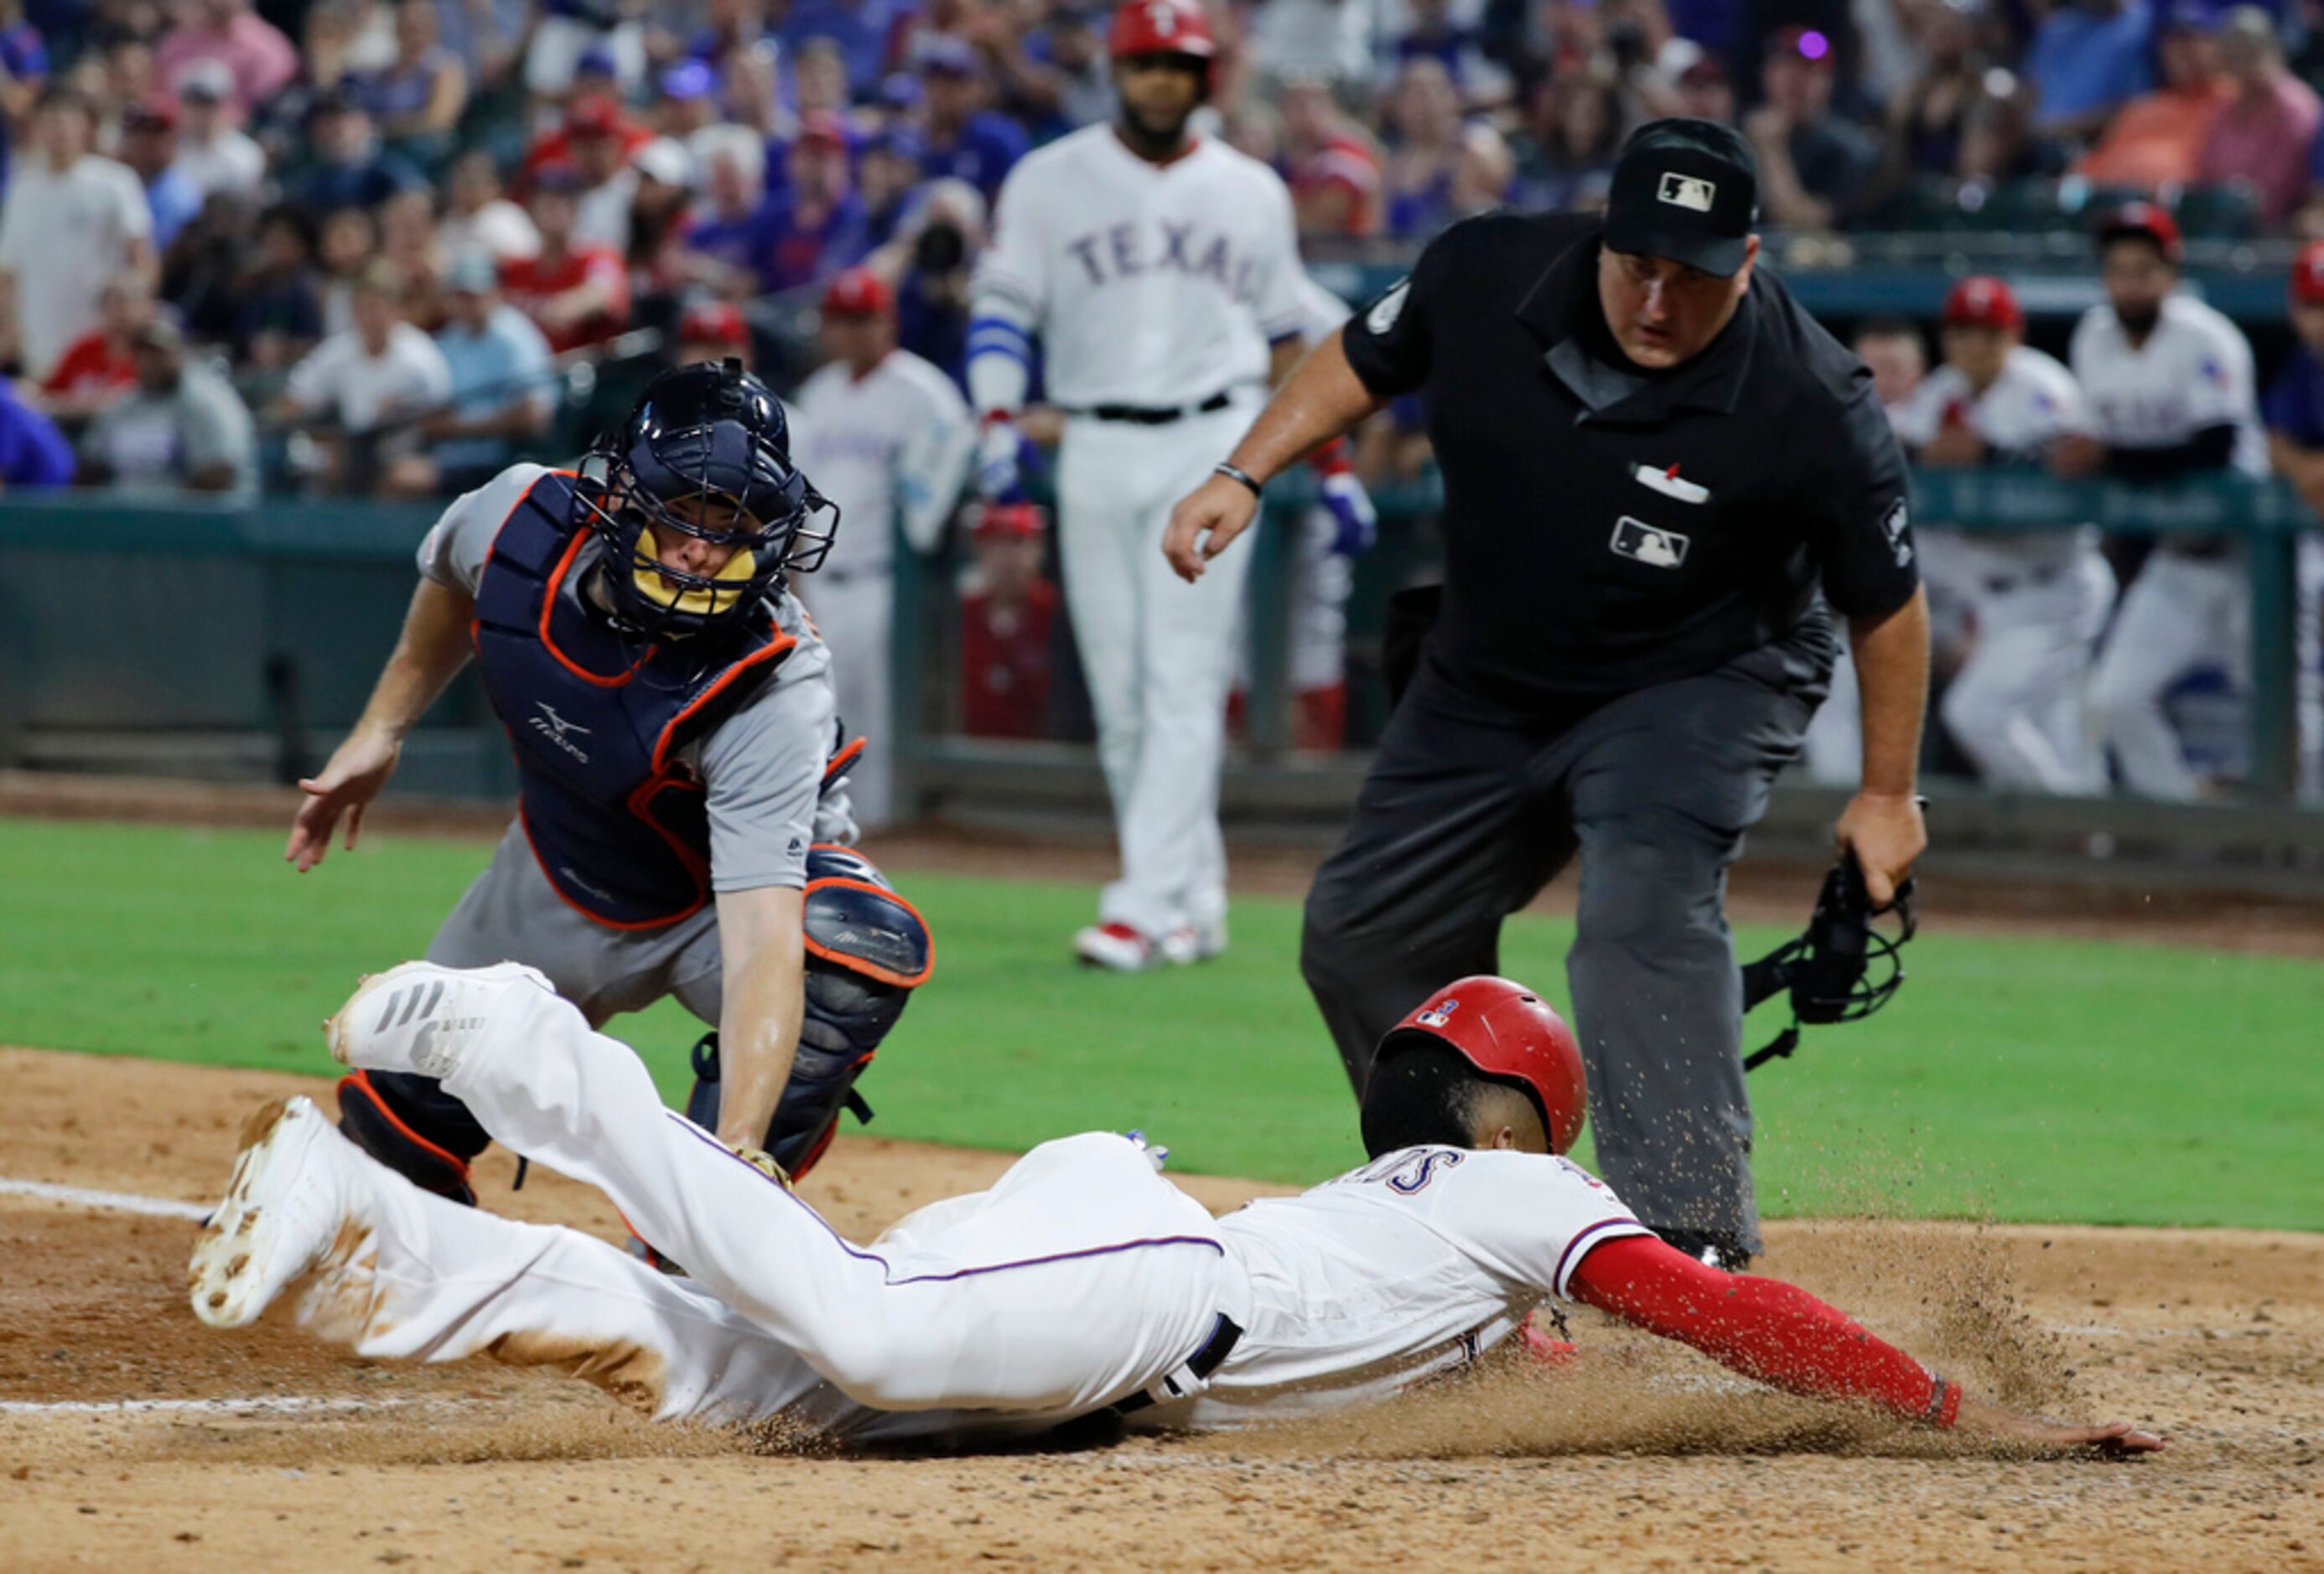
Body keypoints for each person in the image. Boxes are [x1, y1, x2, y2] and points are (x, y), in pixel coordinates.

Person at [193, 966, 2166, 1462]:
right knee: (856, 1327)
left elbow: (1546, 1335)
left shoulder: (1445, 1220)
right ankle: (533, 1052)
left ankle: (366, 1229)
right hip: (1147, 1281)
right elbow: (1721, 1312)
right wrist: (1938, 1407)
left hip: (1118, 1291)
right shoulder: (1523, 1189)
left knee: (742, 1378)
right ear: (1521, 1113)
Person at [1164, 120, 1932, 1271]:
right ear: (1603, 237)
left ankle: (1686, 1242)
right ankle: (1473, 1199)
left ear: (1753, 261)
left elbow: (1888, 602)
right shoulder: (1487, 268)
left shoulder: (1809, 398)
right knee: (1363, 932)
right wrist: (1244, 469)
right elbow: (1364, 356)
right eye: (1641, 265)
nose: (1661, 301)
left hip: (1701, 676)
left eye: (1697, 276)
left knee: (1640, 912)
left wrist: (1887, 792)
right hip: (1492, 671)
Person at [281, 361, 924, 1209]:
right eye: (685, 511)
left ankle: (697, 1246)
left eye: (735, 522)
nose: (705, 548)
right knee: (391, 1146)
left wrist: (736, 1151)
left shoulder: (773, 684)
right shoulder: (517, 520)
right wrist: (383, 728)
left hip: (708, 911)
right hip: (553, 872)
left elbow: (763, 936)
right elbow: (449, 577)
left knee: (853, 948)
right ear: (624, 496)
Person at [970, 0, 1312, 971]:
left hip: (1210, 440)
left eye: (1181, 65)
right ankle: (1194, 899)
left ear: (1206, 76)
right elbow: (1003, 306)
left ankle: (1140, 904)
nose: (1164, 80)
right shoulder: (1050, 177)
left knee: (1180, 683)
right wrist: (997, 415)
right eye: (1148, 63)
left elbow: (1290, 336)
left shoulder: (1251, 191)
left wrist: (1302, 456)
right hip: (1091, 441)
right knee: (1125, 696)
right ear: (1118, 71)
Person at [2062, 204, 2264, 800]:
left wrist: (2111, 459)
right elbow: (2095, 447)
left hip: (2255, 560)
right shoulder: (2093, 336)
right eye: (2118, 269)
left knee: (2289, 706)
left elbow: (2215, 444)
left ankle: (2305, 848)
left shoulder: (2207, 337)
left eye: (2144, 269)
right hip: (2179, 560)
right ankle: (2186, 827)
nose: (2130, 282)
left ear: (2170, 274)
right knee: (2113, 700)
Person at [1894, 277, 2113, 794]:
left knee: (1978, 714)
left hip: (2057, 583)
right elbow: (1896, 440)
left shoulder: (2044, 386)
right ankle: (2078, 842)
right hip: (1991, 594)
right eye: (1963, 333)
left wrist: (1988, 456)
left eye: (1989, 334)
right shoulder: (1942, 390)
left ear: (2013, 336)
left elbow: (2069, 458)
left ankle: (2071, 827)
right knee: (2052, 730)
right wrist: (1927, 455)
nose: (1974, 346)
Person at [787, 267, 975, 830]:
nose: (849, 333)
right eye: (840, 321)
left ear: (886, 322)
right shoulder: (818, 394)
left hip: (886, 577)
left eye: (861, 320)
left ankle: (889, 833)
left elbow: (949, 479)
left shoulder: (924, 393)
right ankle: (827, 831)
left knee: (879, 718)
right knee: (818, 710)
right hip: (819, 578)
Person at [0, 86, 154, 382]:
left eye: (66, 120)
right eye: (48, 120)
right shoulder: (23, 190)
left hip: (100, 345)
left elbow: (140, 258)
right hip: (41, 342)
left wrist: (131, 320)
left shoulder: (115, 183)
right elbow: (8, 271)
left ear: (85, 126)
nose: (58, 130)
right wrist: (9, 331)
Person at [278, 262, 453, 494]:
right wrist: (322, 433)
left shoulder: (420, 356)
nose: (370, 316)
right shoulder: (339, 350)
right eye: (363, 307)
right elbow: (295, 400)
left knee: (402, 478)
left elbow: (445, 415)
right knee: (321, 464)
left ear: (395, 308)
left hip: (409, 453)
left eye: (378, 306)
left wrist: (402, 411)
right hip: (353, 449)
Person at [389, 251, 555, 497]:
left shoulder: (515, 337)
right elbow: (429, 404)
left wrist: (457, 428)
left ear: (495, 293)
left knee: (404, 479)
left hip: (505, 462)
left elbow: (533, 415)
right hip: (449, 457)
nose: (469, 303)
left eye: (476, 295)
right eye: (461, 295)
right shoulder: (449, 340)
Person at [75, 318, 255, 493]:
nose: (148, 363)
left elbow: (221, 473)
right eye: (142, 355)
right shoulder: (125, 405)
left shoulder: (208, 402)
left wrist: (165, 512)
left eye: (158, 355)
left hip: (192, 516)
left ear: (180, 354)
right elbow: (91, 465)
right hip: (126, 513)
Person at [2075, 8, 2228, 194]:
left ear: (2219, 48)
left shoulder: (2233, 104)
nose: (2183, 51)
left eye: (2193, 40)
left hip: (2186, 209)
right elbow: (2092, 165)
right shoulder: (2141, 108)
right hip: (2111, 207)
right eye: (2174, 42)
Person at [1744, 25, 1880, 234]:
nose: (1796, 80)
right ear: (1766, 75)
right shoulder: (1741, 134)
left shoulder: (1850, 150)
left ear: (1829, 82)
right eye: (1785, 67)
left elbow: (1808, 226)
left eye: (1809, 70)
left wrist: (1772, 150)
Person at [2197, 6, 2321, 230]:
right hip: (2223, 221)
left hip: (2274, 229)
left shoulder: (2295, 105)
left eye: (2251, 51)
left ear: (2273, 50)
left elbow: (2280, 189)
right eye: (2235, 53)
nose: (2244, 63)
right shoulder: (2225, 108)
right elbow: (2207, 170)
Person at [500, 165, 630, 354]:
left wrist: (554, 309)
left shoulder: (597, 257)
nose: (551, 210)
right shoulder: (516, 267)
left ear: (576, 209)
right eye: (543, 201)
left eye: (560, 201)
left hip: (584, 371)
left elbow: (601, 294)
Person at [960, 500, 1058, 738]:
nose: (1007, 558)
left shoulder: (1058, 614)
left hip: (1041, 763)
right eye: (994, 544)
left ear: (1039, 548)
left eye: (1018, 542)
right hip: (970, 765)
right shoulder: (959, 616)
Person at [0, 375, 75, 487]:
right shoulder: (6, 388)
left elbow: (2, 472)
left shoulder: (4, 405)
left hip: (45, 486)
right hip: (28, 480)